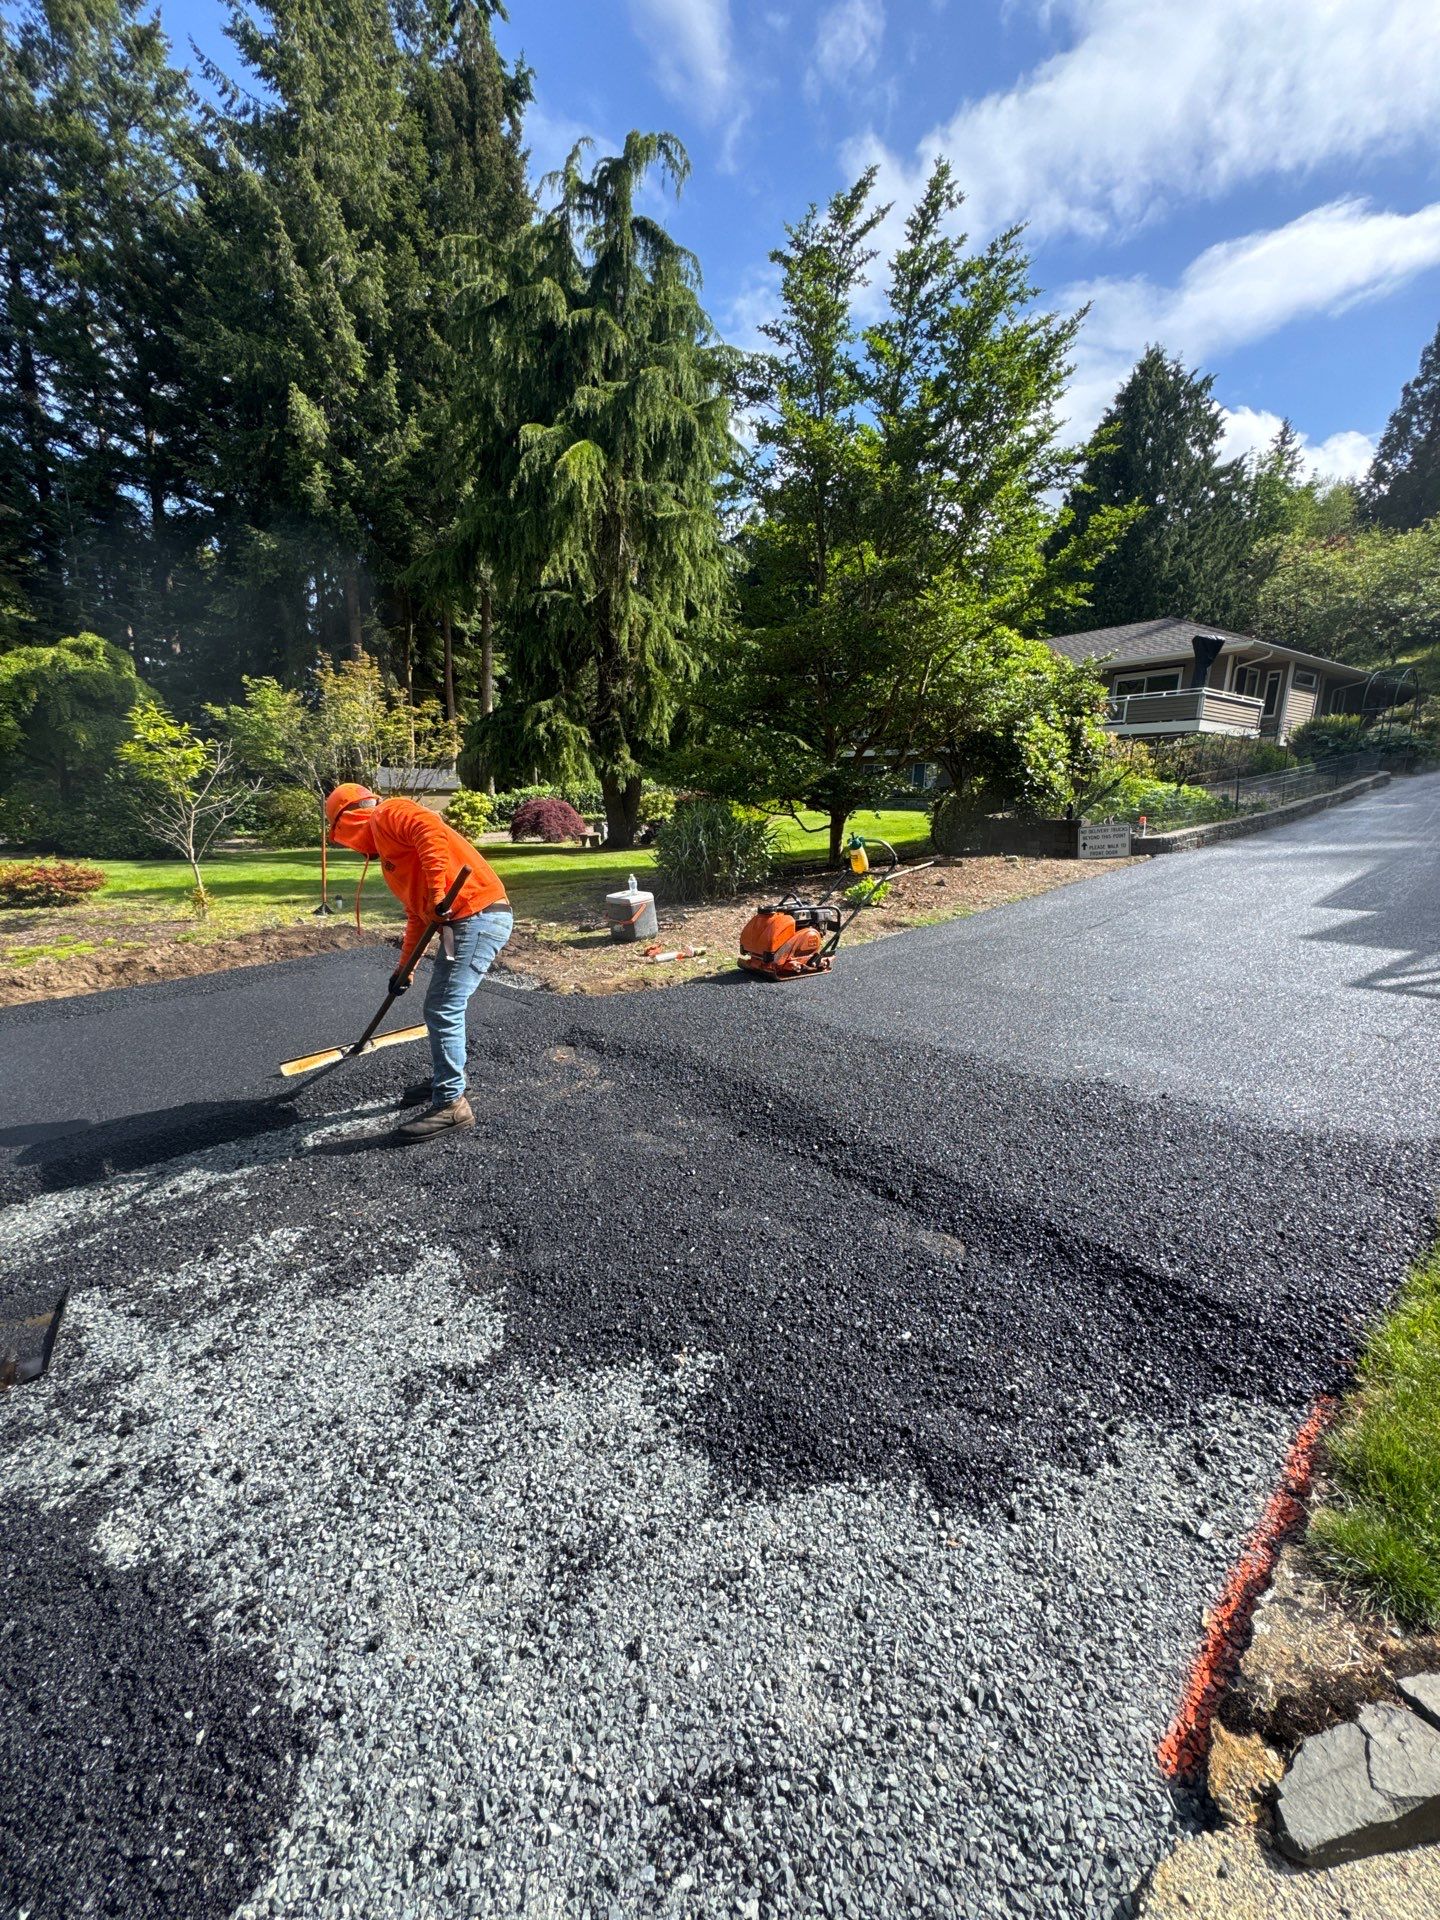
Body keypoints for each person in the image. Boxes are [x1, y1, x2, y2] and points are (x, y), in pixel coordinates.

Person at [324, 783, 513, 1141]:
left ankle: (451, 1105)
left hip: (477, 914)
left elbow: (429, 828)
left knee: (442, 1008)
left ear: (347, 821)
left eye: (340, 836)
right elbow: (418, 916)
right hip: (462, 921)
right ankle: (446, 1078)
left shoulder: (387, 812)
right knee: (441, 1006)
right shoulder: (393, 863)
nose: (347, 845)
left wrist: (440, 892)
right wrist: (404, 968)